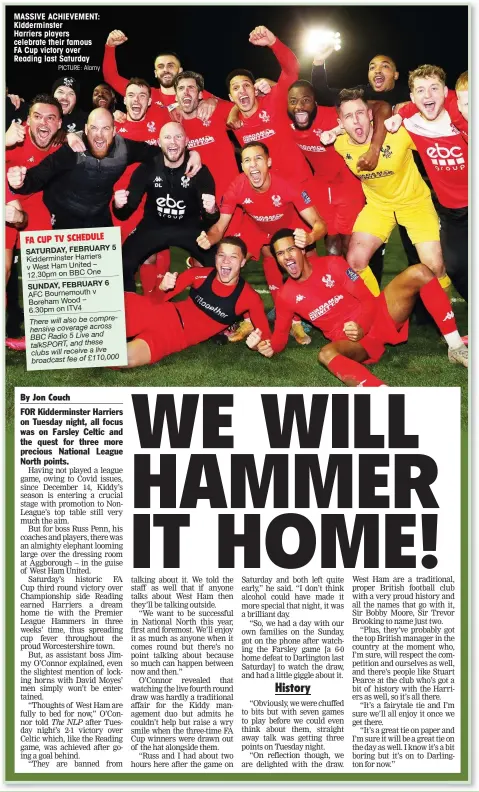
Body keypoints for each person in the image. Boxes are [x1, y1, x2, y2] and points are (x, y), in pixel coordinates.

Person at [246, 229, 468, 386]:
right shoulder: (285, 296)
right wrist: (264, 347)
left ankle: (456, 347)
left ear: (303, 250)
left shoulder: (333, 264)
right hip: (353, 340)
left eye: (291, 249)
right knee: (326, 354)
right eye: (280, 254)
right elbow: (280, 339)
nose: (287, 257)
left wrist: (362, 324)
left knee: (420, 271)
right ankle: (379, 393)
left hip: (376, 316)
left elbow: (368, 300)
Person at [324, 88, 451, 297]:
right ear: (340, 124)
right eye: (348, 116)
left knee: (435, 267)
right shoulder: (339, 143)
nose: (356, 121)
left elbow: (434, 141)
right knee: (355, 262)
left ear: (369, 114)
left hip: (415, 203)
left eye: (359, 113)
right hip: (378, 207)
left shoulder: (396, 132)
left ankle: (446, 316)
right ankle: (377, 313)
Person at [197, 141, 326, 344]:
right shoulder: (236, 187)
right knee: (231, 262)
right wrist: (209, 239)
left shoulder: (288, 185)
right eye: (247, 160)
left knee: (306, 270)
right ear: (242, 166)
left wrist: (309, 238)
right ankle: (247, 319)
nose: (253, 165)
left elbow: (320, 224)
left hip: (286, 229)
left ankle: (297, 320)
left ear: (269, 162)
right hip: (256, 228)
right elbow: (220, 227)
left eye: (258, 159)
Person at [7, 107, 178, 230]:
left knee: (110, 272)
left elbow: (157, 153)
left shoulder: (124, 148)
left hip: (98, 214)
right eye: (94, 128)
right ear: (86, 129)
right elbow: (39, 175)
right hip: (63, 213)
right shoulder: (73, 149)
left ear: (114, 131)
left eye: (106, 129)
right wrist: (21, 181)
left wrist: (191, 155)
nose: (99, 135)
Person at [385, 65, 468, 301]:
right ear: (412, 97)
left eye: (434, 88)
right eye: (420, 90)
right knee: (455, 268)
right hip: (451, 212)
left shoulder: (462, 111)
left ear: (446, 92)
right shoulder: (410, 123)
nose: (428, 95)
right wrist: (399, 115)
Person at [122, 236, 270, 368]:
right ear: (215, 258)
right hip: (163, 312)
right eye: (221, 255)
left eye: (233, 257)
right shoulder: (198, 275)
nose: (226, 261)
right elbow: (154, 301)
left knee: (122, 358)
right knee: (116, 310)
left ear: (243, 262)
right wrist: (162, 288)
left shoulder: (250, 298)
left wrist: (257, 346)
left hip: (173, 338)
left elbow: (267, 340)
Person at [114, 121, 219, 291]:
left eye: (178, 137)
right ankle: (134, 309)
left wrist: (212, 211)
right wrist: (118, 205)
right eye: (167, 137)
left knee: (218, 262)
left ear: (186, 141)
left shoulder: (199, 171)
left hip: (189, 228)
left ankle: (203, 309)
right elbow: (125, 213)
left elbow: (209, 220)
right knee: (122, 262)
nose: (173, 142)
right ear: (159, 142)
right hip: (153, 226)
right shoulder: (147, 168)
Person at [103, 29, 218, 119]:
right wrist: (110, 47)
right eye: (160, 66)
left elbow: (229, 105)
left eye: (171, 65)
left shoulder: (192, 92)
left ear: (180, 71)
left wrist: (212, 101)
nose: (165, 70)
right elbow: (111, 77)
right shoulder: (145, 94)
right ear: (155, 73)